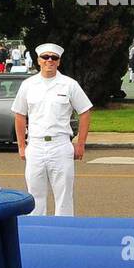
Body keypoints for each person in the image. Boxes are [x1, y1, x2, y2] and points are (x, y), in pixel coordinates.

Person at [11, 43, 92, 216]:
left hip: (60, 145)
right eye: (45, 57)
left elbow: (85, 112)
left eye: (54, 58)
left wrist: (81, 143)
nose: (49, 61)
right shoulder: (28, 85)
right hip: (36, 145)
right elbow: (19, 115)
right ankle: (37, 234)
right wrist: (21, 146)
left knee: (64, 196)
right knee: (34, 196)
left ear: (59, 62)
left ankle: (63, 234)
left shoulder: (69, 85)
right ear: (38, 61)